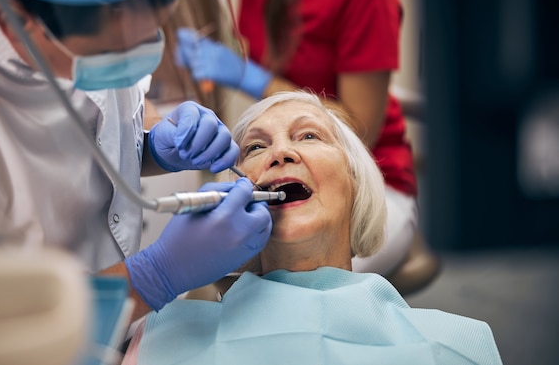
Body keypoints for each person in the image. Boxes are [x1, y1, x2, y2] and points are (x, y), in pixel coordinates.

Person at [0, 0, 273, 321]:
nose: (135, 68)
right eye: (114, 54)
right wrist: (152, 277)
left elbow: (90, 143)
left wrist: (153, 149)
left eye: (151, 35)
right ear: (16, 19)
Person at [122, 91, 502, 365]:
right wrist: (155, 275)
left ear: (356, 182)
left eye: (309, 135)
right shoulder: (160, 335)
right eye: (255, 147)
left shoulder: (456, 345)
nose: (280, 153)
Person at [175, 0, 438, 292]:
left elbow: (358, 133)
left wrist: (247, 76)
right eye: (253, 146)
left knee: (298, 279)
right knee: (234, 279)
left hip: (373, 171)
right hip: (304, 167)